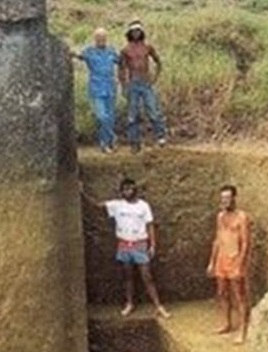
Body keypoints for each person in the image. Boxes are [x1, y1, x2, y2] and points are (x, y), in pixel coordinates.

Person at [81, 178, 171, 318]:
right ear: (121, 191)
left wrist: (152, 245)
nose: (127, 191)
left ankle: (158, 306)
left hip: (140, 244)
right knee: (127, 276)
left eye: (129, 188)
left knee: (147, 277)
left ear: (135, 189)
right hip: (124, 244)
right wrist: (82, 193)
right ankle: (129, 303)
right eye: (124, 189)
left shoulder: (143, 206)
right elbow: (97, 206)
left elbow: (150, 225)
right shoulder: (117, 205)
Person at [207, 185, 252, 345]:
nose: (225, 201)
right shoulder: (220, 216)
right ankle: (227, 323)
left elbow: (246, 243)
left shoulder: (242, 217)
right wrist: (212, 262)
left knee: (240, 296)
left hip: (235, 259)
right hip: (222, 259)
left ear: (234, 198)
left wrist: (241, 263)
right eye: (223, 198)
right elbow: (217, 240)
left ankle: (243, 330)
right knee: (222, 293)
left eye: (228, 198)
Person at [119, 20, 168, 153]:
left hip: (146, 82)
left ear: (141, 32)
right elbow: (121, 69)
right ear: (130, 33)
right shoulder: (125, 50)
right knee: (132, 115)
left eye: (138, 31)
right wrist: (124, 86)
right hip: (133, 83)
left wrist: (155, 78)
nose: (136, 33)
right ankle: (134, 143)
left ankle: (161, 136)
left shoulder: (147, 47)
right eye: (134, 31)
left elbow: (158, 62)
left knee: (153, 111)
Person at [72, 28, 121, 154]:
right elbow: (77, 55)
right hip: (96, 88)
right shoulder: (90, 52)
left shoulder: (111, 51)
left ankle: (106, 144)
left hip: (110, 88)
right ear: (95, 39)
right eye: (99, 38)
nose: (101, 40)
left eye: (103, 38)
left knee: (110, 117)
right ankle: (111, 138)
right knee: (101, 117)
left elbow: (122, 62)